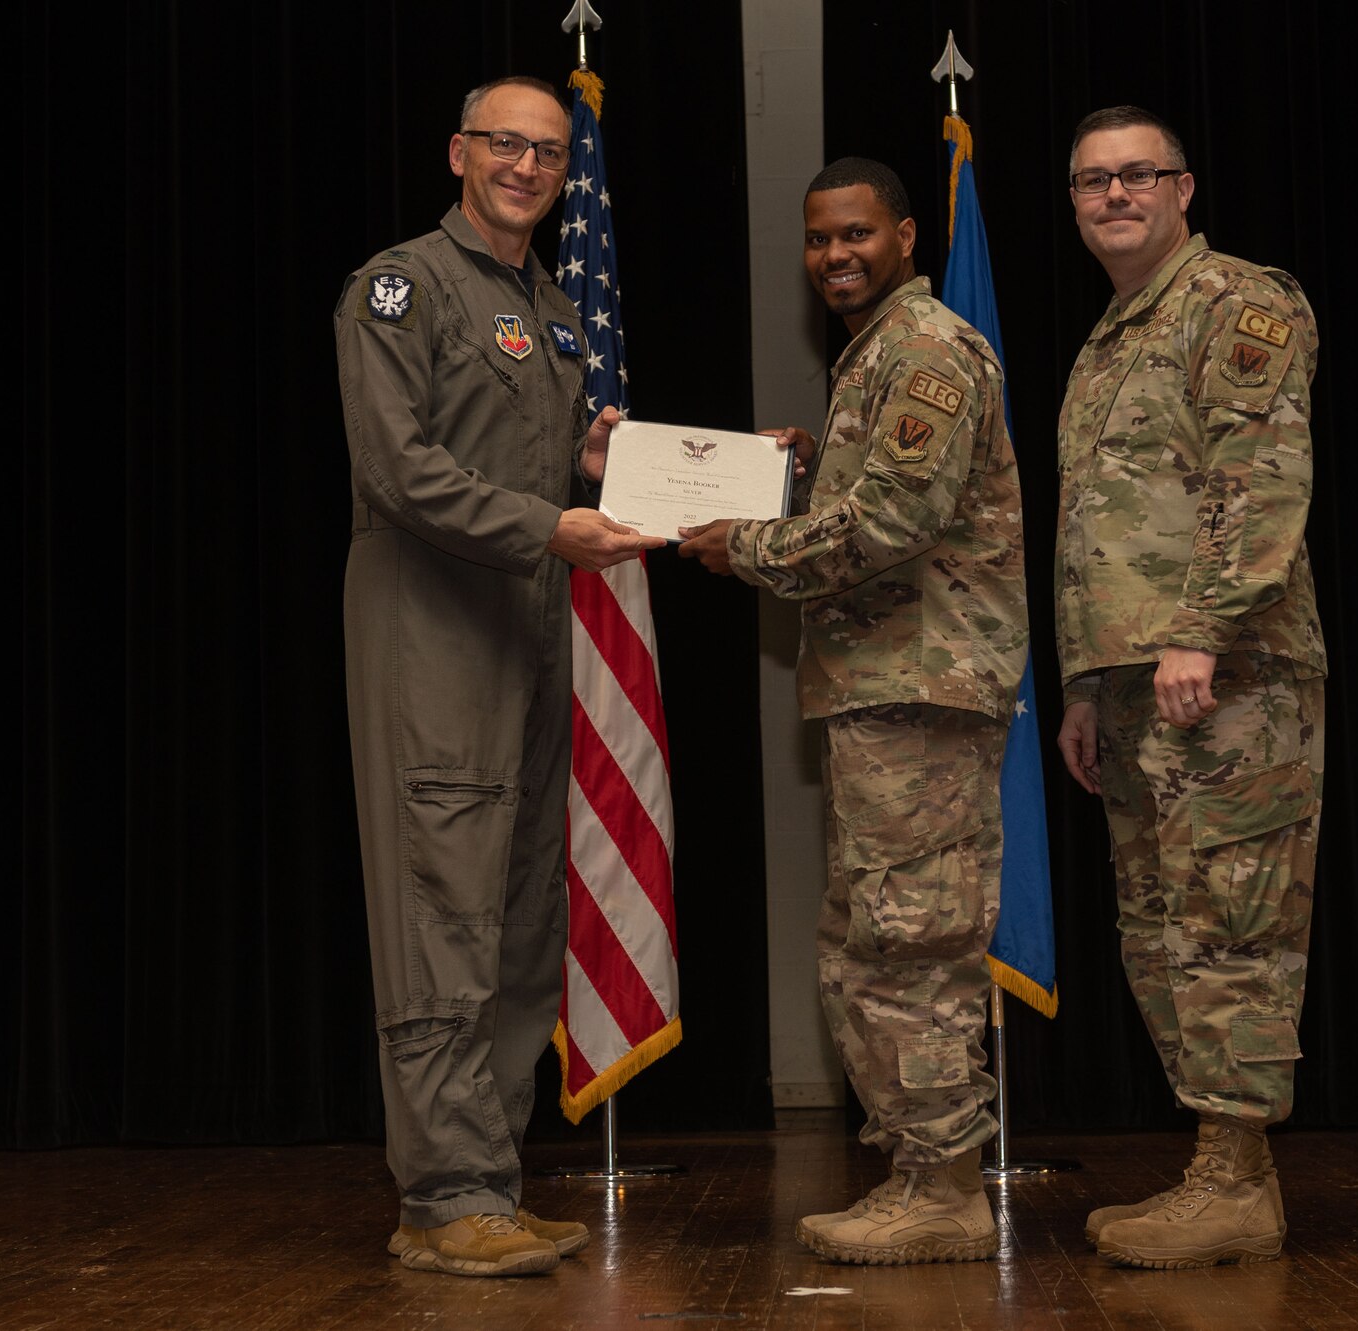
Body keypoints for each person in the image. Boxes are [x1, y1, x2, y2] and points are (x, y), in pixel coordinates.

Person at [334, 74, 661, 1279]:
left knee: (524, 917)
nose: (527, 167)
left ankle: (489, 1178)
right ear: (459, 151)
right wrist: (550, 522)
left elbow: (559, 454)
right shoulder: (400, 285)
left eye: (549, 153)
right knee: (442, 914)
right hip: (432, 630)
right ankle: (438, 1194)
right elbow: (398, 466)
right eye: (506, 146)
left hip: (531, 629)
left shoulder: (557, 313)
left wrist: (691, 468)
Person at [679, 158, 1027, 1265]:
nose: (834, 255)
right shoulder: (874, 355)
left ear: (908, 236)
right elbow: (880, 497)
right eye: (818, 239)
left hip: (918, 693)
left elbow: (890, 524)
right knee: (873, 937)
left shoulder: (922, 350)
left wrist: (739, 543)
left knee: (909, 941)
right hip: (888, 689)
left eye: (857, 235)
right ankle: (920, 1175)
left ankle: (942, 1191)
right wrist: (806, 465)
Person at [1052, 106, 1329, 1270]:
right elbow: (1096, 530)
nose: (1112, 196)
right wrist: (1080, 683)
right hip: (1132, 683)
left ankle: (1230, 1178)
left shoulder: (1235, 303)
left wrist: (1203, 632)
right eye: (1089, 182)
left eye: (1135, 176)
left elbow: (1259, 477)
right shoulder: (1112, 334)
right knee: (1158, 929)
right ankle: (1226, 1174)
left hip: (1230, 675)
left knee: (1229, 921)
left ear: (1182, 188)